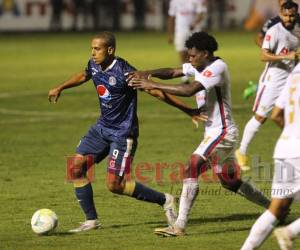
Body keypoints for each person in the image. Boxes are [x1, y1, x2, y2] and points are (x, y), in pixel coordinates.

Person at [48, 31, 203, 232]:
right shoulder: (94, 64)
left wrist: (187, 109)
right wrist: (61, 87)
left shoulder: (125, 72)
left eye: (97, 49)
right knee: (75, 168)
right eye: (92, 49)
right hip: (101, 128)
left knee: (115, 185)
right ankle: (91, 220)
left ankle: (164, 200)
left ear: (110, 50)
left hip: (122, 134)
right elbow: (85, 74)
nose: (93, 53)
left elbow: (156, 92)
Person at [127, 31, 270, 237]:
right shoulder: (200, 65)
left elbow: (188, 90)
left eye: (193, 56)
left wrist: (152, 84)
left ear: (205, 53)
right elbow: (174, 72)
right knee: (230, 181)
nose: (189, 59)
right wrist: (147, 73)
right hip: (217, 133)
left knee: (192, 166)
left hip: (222, 132)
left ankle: (179, 226)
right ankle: (274, 209)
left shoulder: (217, 68)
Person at [241, 62, 300, 250]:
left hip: (284, 148)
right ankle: (290, 231)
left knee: (277, 209)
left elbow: (276, 115)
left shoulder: (294, 74)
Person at [235, 1, 300, 171]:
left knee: (293, 113)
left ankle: (294, 146)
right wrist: (287, 56)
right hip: (273, 79)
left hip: (292, 77)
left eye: (292, 15)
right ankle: (241, 151)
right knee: (261, 117)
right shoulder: (274, 30)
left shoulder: (298, 26)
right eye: (285, 15)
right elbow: (264, 56)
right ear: (280, 13)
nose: (288, 18)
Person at [167, 0, 207, 83]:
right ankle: (185, 78)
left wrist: (194, 23)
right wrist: (170, 34)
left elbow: (201, 14)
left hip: (194, 31)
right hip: (180, 31)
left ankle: (200, 76)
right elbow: (171, 17)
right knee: (182, 53)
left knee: (197, 54)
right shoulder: (174, 1)